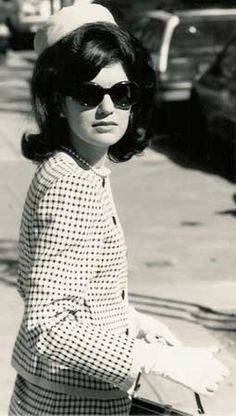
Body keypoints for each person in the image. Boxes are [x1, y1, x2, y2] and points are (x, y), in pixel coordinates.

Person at [9, 1, 229, 415]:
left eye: (121, 92)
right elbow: (48, 327)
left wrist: (131, 319)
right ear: (59, 101)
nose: (108, 108)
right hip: (71, 405)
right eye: (89, 94)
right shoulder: (69, 184)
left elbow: (73, 292)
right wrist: (155, 360)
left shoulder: (78, 168)